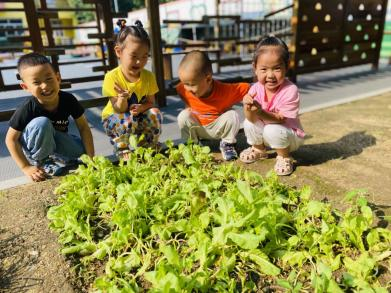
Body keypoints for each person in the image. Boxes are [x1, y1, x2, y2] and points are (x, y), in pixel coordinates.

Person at [5, 52, 95, 181]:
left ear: (58, 78)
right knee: (42, 123)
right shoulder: (27, 107)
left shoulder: (68, 99)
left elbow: (83, 127)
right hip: (36, 146)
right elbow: (10, 140)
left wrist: (90, 157)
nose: (45, 86)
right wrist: (25, 167)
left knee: (82, 152)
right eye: (36, 82)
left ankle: (59, 158)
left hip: (57, 139)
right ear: (25, 87)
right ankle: (41, 161)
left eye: (49, 79)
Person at [240, 36, 305, 176]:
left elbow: (281, 119)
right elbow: (251, 119)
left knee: (272, 129)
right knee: (247, 123)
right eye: (264, 69)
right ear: (255, 68)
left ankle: (284, 156)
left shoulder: (290, 90)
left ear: (286, 67)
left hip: (289, 136)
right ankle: (258, 150)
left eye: (276, 68)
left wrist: (260, 112)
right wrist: (247, 107)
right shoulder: (255, 88)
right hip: (268, 133)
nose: (270, 75)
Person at [101, 20, 162, 159]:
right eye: (134, 56)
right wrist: (122, 98)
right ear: (119, 51)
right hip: (115, 119)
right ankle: (122, 148)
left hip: (137, 116)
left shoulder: (148, 76)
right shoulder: (112, 77)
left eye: (144, 56)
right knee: (125, 119)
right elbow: (118, 109)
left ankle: (148, 144)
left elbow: (151, 103)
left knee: (155, 113)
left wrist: (142, 108)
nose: (139, 62)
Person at [176, 50, 250, 161]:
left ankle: (227, 144)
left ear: (208, 79)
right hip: (198, 128)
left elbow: (248, 88)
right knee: (183, 116)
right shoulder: (183, 89)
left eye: (191, 84)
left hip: (217, 128)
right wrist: (188, 105)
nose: (187, 89)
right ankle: (191, 145)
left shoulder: (225, 91)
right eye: (184, 83)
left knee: (232, 115)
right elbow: (181, 91)